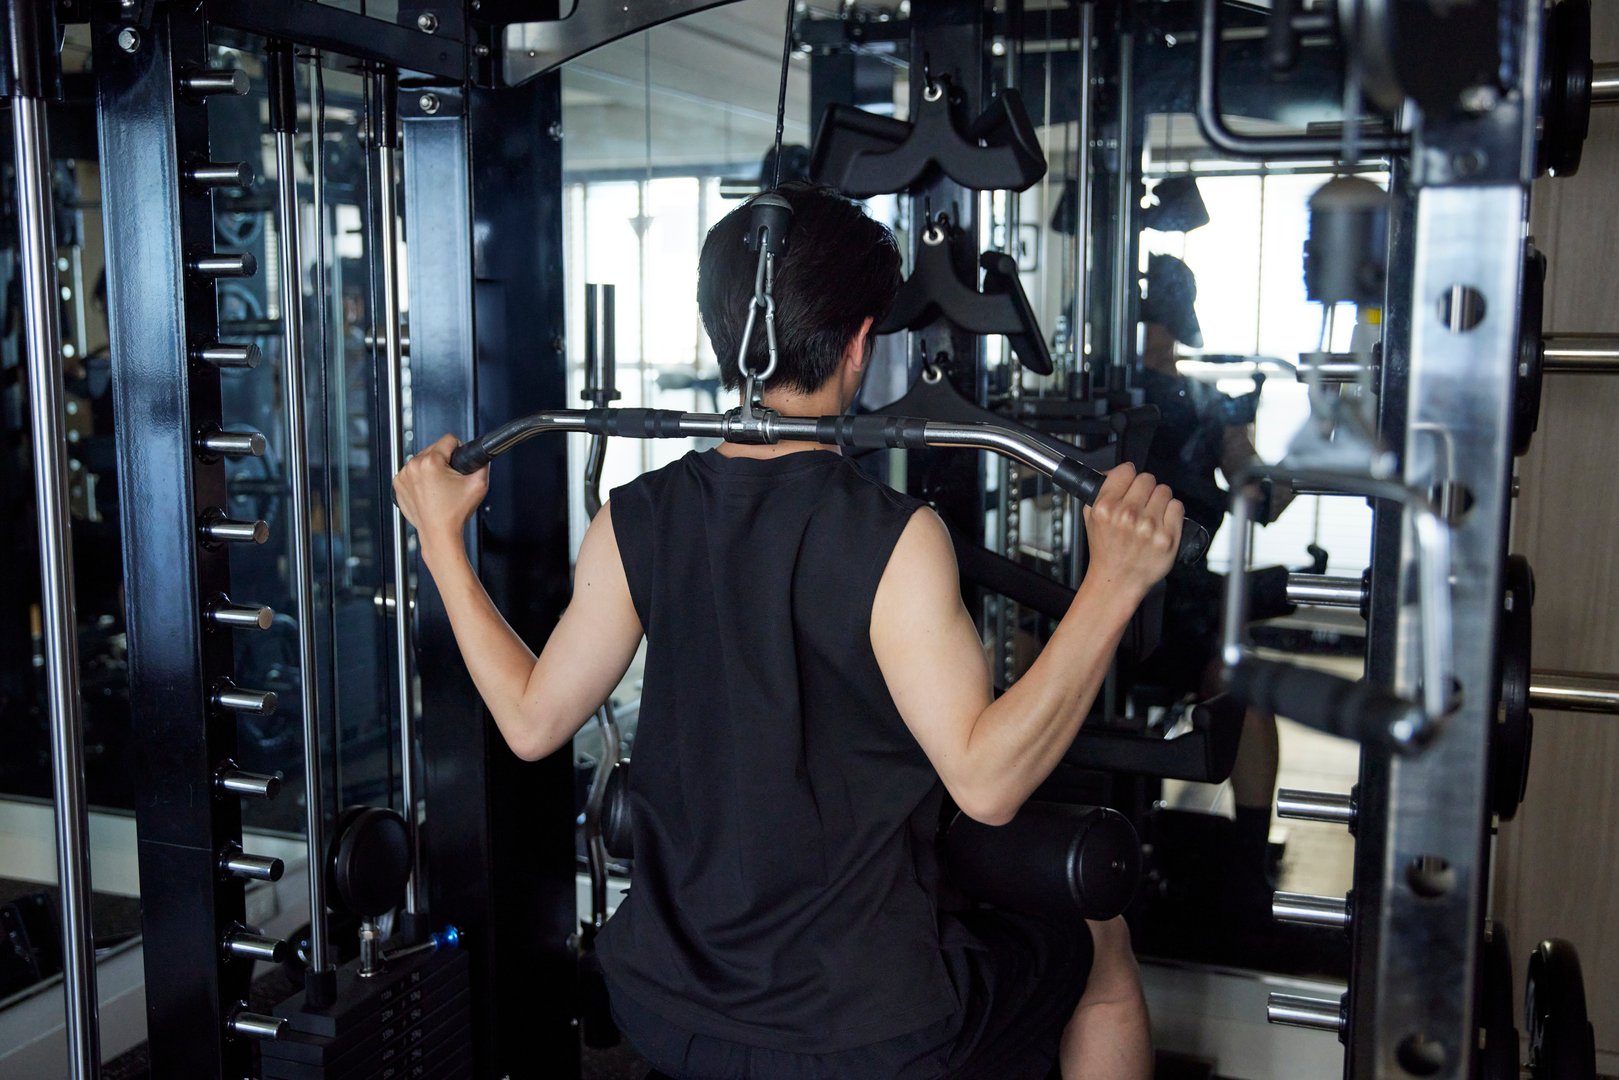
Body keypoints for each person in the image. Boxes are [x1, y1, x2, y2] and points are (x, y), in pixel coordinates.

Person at [392, 182, 1182, 1080]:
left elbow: (532, 723)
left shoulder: (632, 518)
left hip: (662, 1002)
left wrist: (441, 543)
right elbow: (989, 781)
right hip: (854, 1032)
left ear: (724, 338)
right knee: (1099, 946)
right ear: (857, 346)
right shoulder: (896, 539)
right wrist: (1113, 583)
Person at [1134, 252, 1294, 916]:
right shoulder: (1088, 386)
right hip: (1079, 597)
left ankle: (1248, 859)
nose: (1152, 328)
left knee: (1245, 692)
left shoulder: (1206, 405)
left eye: (1158, 310)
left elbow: (1264, 495)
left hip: (1182, 610)